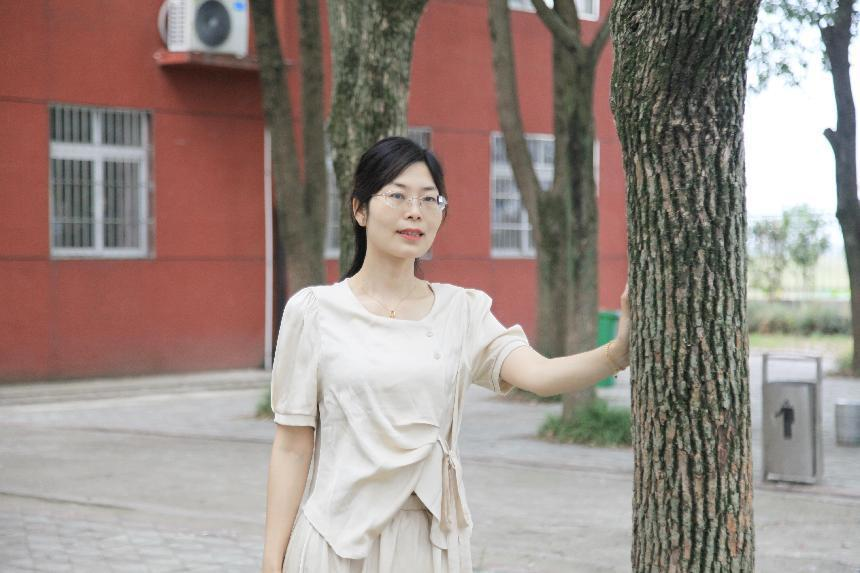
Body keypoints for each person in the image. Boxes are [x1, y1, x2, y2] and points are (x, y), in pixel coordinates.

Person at [261, 136, 631, 573]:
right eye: (397, 196)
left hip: (429, 545)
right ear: (359, 209)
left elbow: (541, 375)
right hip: (334, 543)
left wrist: (617, 353)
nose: (414, 211)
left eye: (429, 199)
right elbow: (292, 447)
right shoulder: (314, 312)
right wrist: (272, 563)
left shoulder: (462, 311)